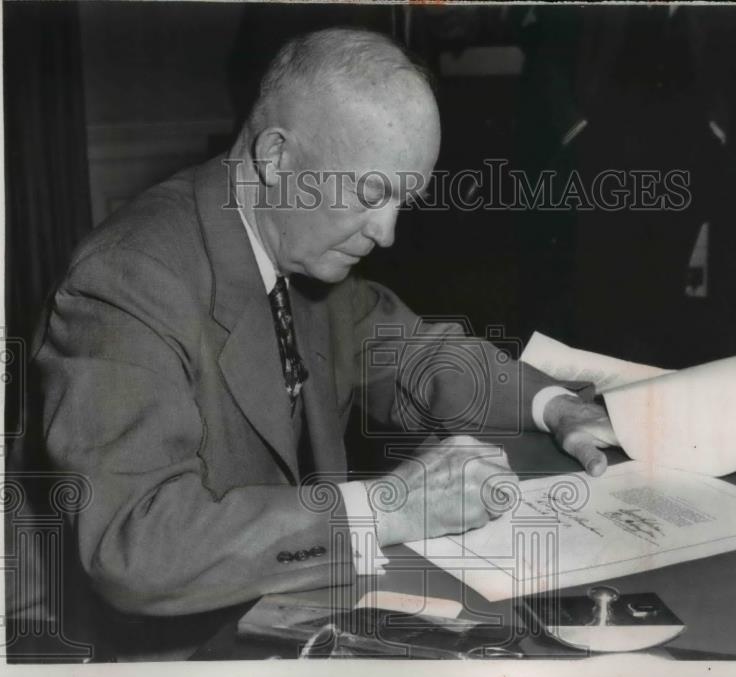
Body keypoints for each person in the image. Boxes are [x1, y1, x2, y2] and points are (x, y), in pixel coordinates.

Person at [31, 28, 619, 626]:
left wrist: (553, 406)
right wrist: (384, 509)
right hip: (188, 650)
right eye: (370, 193)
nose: (385, 234)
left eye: (403, 201)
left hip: (295, 608)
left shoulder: (296, 246)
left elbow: (420, 357)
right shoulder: (126, 279)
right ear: (277, 155)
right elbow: (135, 546)